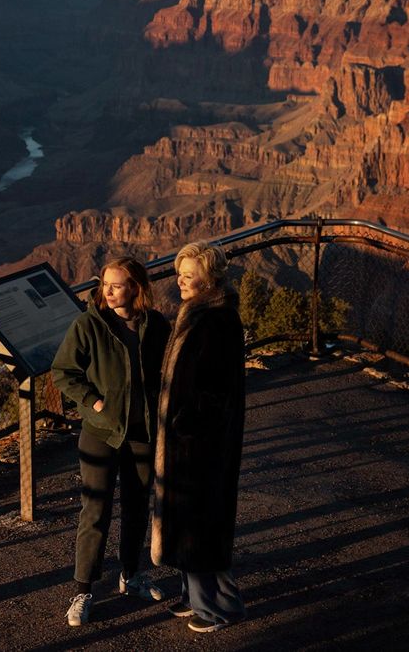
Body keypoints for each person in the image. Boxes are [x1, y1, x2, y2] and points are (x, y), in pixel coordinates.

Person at [51, 256, 172, 627]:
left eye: (117, 284)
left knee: (137, 507)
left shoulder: (156, 325)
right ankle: (83, 590)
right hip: (101, 433)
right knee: (95, 511)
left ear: (136, 286)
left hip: (142, 433)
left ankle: (131, 576)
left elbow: (168, 370)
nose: (109, 291)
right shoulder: (89, 325)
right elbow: (63, 372)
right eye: (105, 284)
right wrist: (95, 401)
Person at [151, 240, 247, 633]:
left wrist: (186, 425)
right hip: (194, 441)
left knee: (197, 522)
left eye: (190, 275)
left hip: (199, 444)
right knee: (201, 519)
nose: (181, 281)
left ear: (210, 277)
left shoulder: (216, 319)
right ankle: (206, 598)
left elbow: (216, 388)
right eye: (180, 273)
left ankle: (212, 609)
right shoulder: (203, 312)